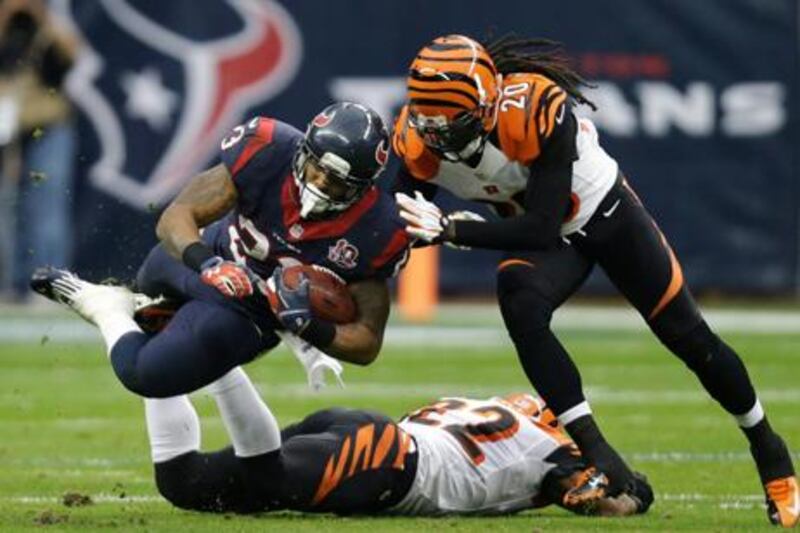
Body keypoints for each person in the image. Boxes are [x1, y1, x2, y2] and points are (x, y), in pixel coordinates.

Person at [391, 34, 797, 527]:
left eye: (450, 124)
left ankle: (770, 451)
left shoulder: (535, 108)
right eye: (427, 122)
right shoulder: (418, 142)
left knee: (688, 337)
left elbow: (541, 226)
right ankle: (600, 455)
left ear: (487, 105)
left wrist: (452, 229)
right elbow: (396, 222)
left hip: (603, 215)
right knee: (520, 302)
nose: (436, 136)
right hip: (550, 237)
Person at [31, 101, 410, 398]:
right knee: (147, 309)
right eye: (317, 168)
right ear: (304, 150)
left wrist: (308, 325)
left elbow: (367, 342)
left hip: (247, 312)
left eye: (339, 182)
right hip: (208, 256)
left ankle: (104, 306)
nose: (321, 183)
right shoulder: (268, 148)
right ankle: (130, 304)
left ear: (364, 188)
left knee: (144, 374)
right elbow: (175, 217)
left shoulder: (378, 229)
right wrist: (208, 262)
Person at [138, 364, 651, 516]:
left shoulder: (499, 414)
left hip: (367, 431)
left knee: (192, 485)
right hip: (385, 464)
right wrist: (632, 497)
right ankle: (212, 359)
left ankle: (162, 356)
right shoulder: (552, 449)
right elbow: (589, 499)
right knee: (252, 478)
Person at [0, 0, 78, 301]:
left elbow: (73, 55)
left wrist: (40, 18)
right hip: (6, 127)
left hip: (47, 124)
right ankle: (12, 284)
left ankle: (51, 284)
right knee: (6, 208)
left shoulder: (49, 22)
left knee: (48, 204)